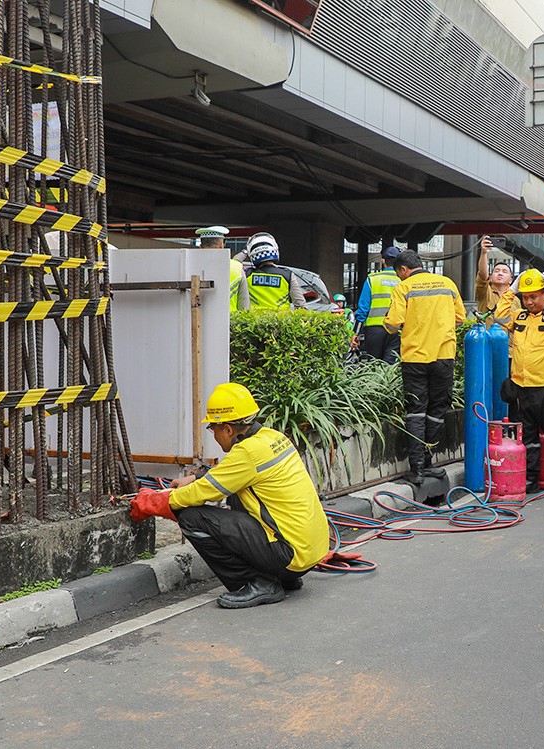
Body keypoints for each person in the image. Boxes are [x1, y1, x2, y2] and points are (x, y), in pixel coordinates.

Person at [129, 383, 330, 609]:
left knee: (192, 518)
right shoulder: (272, 437)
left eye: (213, 428)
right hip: (310, 551)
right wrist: (195, 477)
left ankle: (258, 583)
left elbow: (201, 493)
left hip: (289, 556)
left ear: (227, 429)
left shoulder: (247, 452)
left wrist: (155, 501)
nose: (213, 434)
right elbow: (233, 473)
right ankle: (284, 578)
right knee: (237, 495)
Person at [383, 250, 467, 484]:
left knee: (416, 410)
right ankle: (427, 460)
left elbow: (393, 323)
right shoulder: (448, 284)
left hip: (415, 358)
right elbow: (460, 317)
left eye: (398, 273)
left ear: (403, 269)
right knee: (437, 409)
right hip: (444, 356)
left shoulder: (404, 287)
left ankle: (418, 468)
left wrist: (390, 325)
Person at [494, 269, 544, 496]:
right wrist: (511, 291)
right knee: (527, 436)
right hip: (523, 387)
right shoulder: (519, 317)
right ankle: (531, 479)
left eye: (534, 296)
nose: (529, 302)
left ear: (543, 295)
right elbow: (499, 317)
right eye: (526, 297)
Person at [354, 245, 402, 363]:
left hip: (374, 330)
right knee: (391, 365)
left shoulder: (372, 279)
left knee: (374, 364)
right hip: (396, 329)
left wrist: (356, 333)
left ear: (383, 261)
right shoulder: (403, 280)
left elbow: (363, 308)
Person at [241, 232, 307, 311]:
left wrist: (244, 252)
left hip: (254, 318)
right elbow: (300, 305)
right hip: (281, 318)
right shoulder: (287, 275)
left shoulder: (247, 275)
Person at [476, 235, 514, 313]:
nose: (500, 273)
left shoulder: (515, 299)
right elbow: (482, 276)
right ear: (490, 277)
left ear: (511, 280)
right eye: (497, 271)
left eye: (504, 271)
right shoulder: (485, 293)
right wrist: (483, 253)